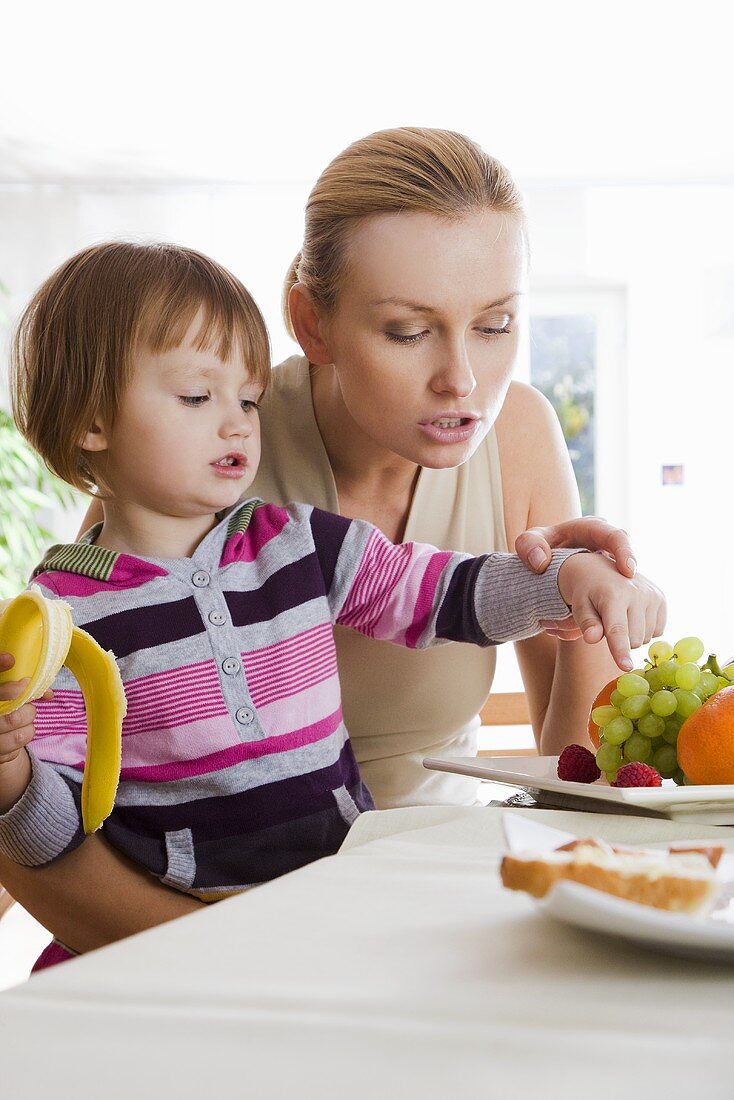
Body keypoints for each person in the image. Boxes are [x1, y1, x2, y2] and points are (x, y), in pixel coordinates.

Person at [0, 240, 664, 970]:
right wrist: (11, 776)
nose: (237, 423)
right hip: (167, 956)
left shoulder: (296, 542)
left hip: (342, 913)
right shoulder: (61, 623)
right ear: (91, 423)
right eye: (197, 397)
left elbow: (442, 590)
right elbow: (57, 836)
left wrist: (564, 579)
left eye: (247, 399)